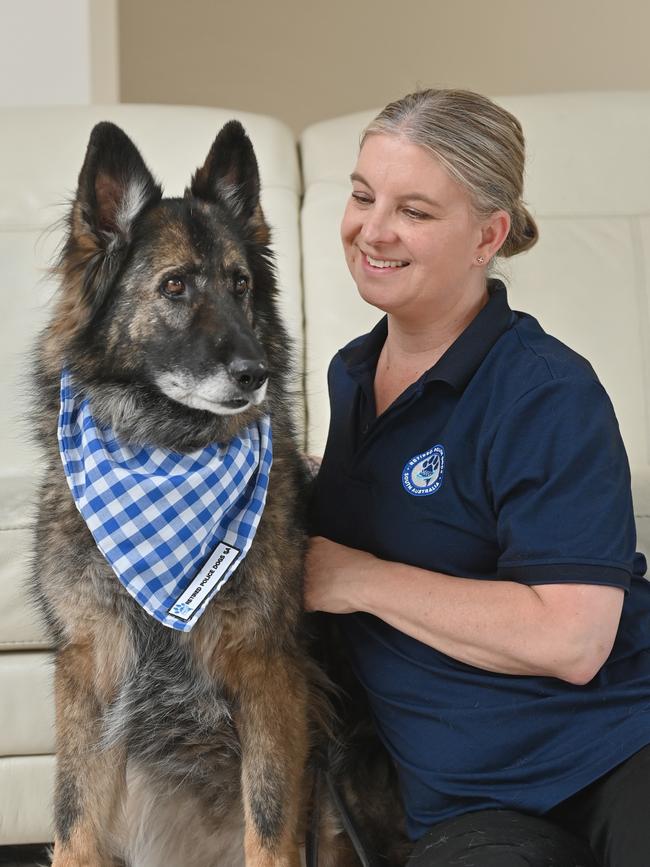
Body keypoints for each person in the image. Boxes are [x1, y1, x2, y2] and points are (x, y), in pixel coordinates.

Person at [304, 89, 650, 867]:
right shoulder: (352, 377)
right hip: (469, 807)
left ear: (487, 235)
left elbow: (574, 636)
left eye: (415, 211)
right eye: (363, 195)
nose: (372, 230)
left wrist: (356, 578)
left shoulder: (546, 390)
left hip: (620, 753)